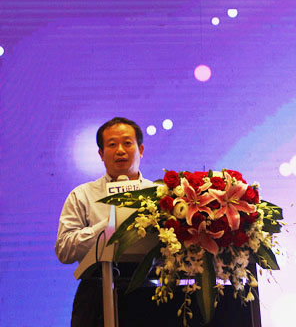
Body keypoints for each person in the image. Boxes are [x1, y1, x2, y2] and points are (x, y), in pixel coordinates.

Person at [56, 117, 257, 327]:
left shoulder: (163, 195)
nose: (120, 150)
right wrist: (110, 225)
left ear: (141, 149)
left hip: (152, 293)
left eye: (127, 143)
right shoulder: (83, 195)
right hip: (97, 294)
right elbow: (64, 250)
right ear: (101, 154)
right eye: (112, 144)